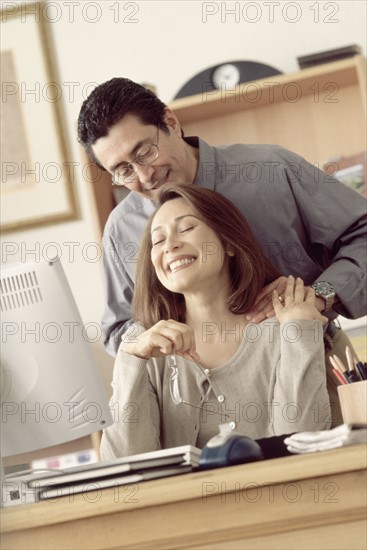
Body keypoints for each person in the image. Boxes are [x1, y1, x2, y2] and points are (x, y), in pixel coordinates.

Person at [77, 77, 367, 426]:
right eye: (123, 170)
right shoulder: (122, 229)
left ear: (170, 122)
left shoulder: (271, 170)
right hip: (198, 410)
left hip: (316, 373)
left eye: (145, 152)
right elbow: (119, 329)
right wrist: (150, 336)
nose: (144, 175)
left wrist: (319, 296)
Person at [100, 183, 331, 459]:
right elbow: (123, 463)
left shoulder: (285, 327)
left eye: (186, 229)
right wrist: (131, 358)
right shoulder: (148, 349)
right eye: (158, 240)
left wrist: (300, 328)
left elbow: (300, 443)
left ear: (229, 243)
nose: (170, 245)